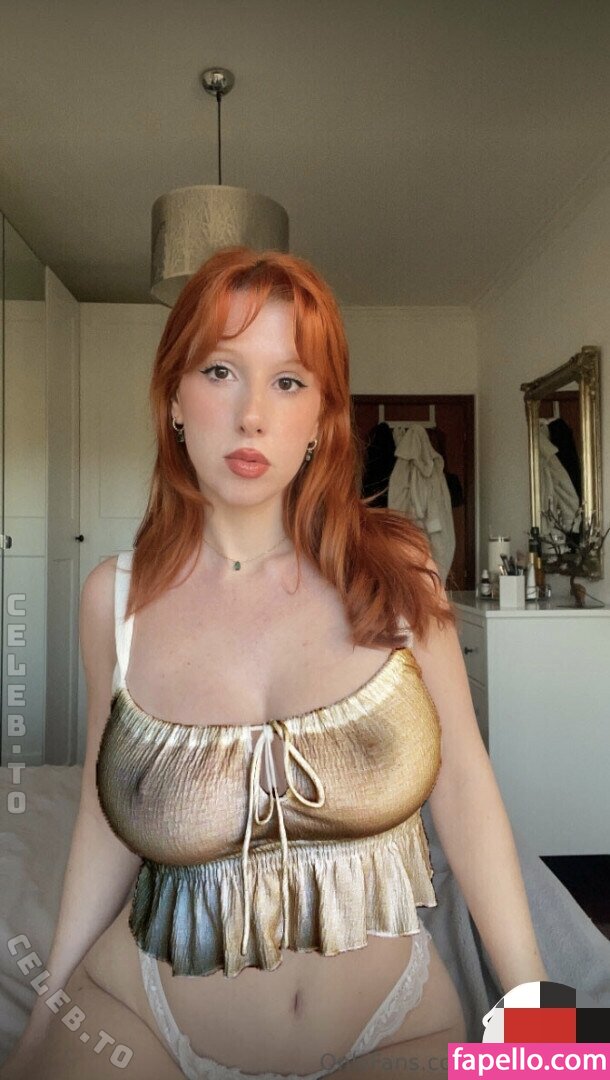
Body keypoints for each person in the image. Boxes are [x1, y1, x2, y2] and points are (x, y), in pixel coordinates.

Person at [2, 247, 547, 1080]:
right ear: (174, 398)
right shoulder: (113, 600)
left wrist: (543, 1016)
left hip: (391, 1026)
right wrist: (47, 1015)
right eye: (220, 371)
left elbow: (467, 786)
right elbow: (101, 817)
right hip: (142, 1017)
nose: (251, 415)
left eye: (288, 381)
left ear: (323, 416)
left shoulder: (396, 569)